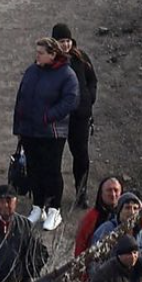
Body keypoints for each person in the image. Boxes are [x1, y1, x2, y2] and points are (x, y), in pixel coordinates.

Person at [12, 36, 80, 231]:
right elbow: (21, 98)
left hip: (51, 132)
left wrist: (48, 117)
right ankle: (37, 206)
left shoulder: (67, 74)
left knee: (52, 170)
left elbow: (70, 101)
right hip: (29, 130)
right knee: (33, 168)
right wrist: (18, 125)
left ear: (52, 54)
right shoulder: (32, 71)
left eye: (41, 53)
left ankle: (54, 209)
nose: (37, 56)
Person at [51, 23, 97, 207]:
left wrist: (89, 98)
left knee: (81, 156)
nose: (66, 45)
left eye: (68, 41)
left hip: (80, 117)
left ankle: (81, 192)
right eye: (62, 41)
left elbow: (92, 79)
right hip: (59, 119)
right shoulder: (50, 61)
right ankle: (53, 195)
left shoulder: (81, 57)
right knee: (54, 158)